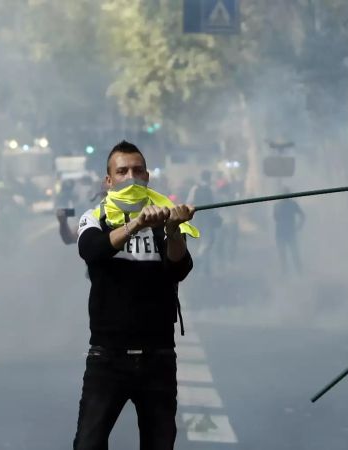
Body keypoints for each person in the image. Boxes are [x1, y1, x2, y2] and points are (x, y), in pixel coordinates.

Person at [73, 140, 199, 450]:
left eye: (137, 170)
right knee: (88, 444)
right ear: (109, 180)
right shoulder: (95, 216)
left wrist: (172, 229)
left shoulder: (162, 215)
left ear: (147, 176)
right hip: (107, 358)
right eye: (122, 171)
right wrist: (135, 224)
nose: (131, 177)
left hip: (158, 356)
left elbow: (179, 268)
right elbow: (92, 249)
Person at [273, 190, 305, 275]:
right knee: (285, 255)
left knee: (293, 254)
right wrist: (299, 225)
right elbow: (276, 218)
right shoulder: (281, 205)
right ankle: (288, 274)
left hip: (287, 232)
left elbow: (302, 215)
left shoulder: (290, 204)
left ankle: (299, 273)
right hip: (282, 233)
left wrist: (299, 226)